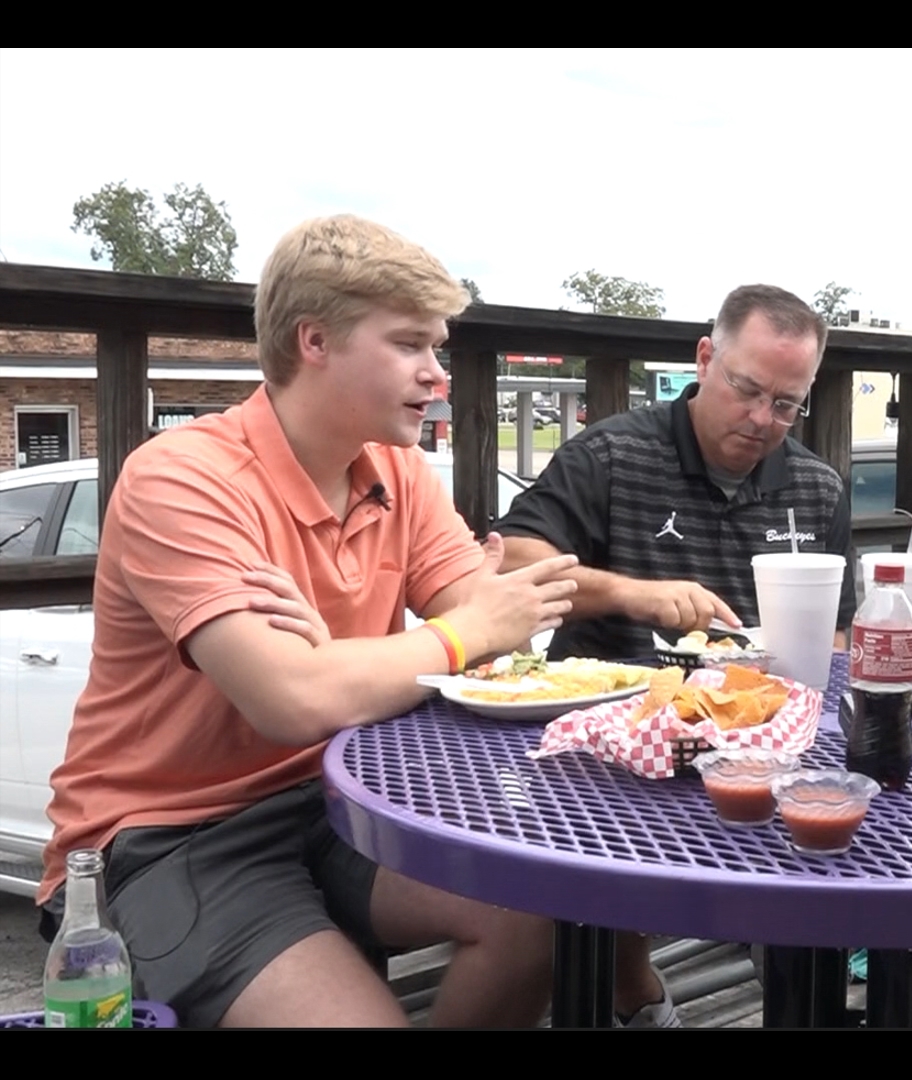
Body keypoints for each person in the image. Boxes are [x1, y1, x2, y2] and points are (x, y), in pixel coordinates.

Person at [37, 215, 582, 1028]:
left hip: (344, 797)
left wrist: (342, 662)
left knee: (537, 915)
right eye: (409, 345)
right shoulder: (181, 477)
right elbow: (300, 698)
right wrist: (431, 642)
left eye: (437, 347)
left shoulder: (397, 466)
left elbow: (504, 642)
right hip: (172, 833)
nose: (438, 376)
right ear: (315, 341)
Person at [496, 282, 855, 1026]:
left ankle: (805, 1001)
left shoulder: (817, 488)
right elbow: (511, 560)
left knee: (836, 836)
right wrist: (635, 592)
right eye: (746, 389)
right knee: (602, 870)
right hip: (619, 754)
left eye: (786, 404)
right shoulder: (613, 453)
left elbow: (841, 636)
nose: (762, 420)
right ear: (704, 359)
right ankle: (641, 1003)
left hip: (765, 748)